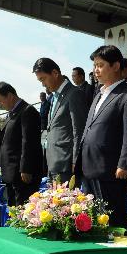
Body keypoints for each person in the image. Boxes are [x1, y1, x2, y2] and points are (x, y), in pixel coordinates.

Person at [79, 46, 127, 232]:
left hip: (110, 171)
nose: (96, 70)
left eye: (101, 65)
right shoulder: (98, 94)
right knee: (92, 222)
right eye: (95, 65)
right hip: (89, 168)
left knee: (114, 221)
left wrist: (124, 163)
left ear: (116, 66)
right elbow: (87, 129)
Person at [33, 58, 88, 186]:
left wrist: (76, 161)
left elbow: (79, 130)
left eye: (43, 79)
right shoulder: (54, 97)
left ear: (55, 73)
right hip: (53, 163)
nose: (43, 84)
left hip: (67, 165)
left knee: (66, 204)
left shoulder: (74, 94)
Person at [0, 82, 42, 206]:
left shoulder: (27, 111)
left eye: (0, 101)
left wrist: (25, 169)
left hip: (22, 174)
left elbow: (29, 142)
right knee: (13, 210)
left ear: (9, 95)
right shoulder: (11, 113)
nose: (0, 105)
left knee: (22, 211)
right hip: (11, 173)